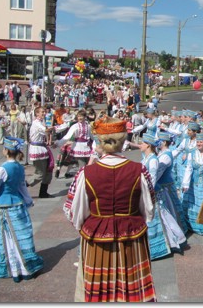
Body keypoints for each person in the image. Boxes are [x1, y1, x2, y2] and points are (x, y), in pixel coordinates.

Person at [63, 116, 157, 302]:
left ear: (100, 142)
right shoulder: (139, 170)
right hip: (131, 238)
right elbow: (149, 208)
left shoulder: (85, 173)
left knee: (99, 291)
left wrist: (86, 224)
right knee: (131, 289)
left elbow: (74, 211)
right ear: (123, 142)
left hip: (97, 239)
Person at [0, 137, 44, 282]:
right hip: (18, 206)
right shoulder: (20, 167)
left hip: (4, 207)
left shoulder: (2, 168)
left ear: (6, 151)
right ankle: (22, 266)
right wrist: (28, 201)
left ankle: (9, 266)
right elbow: (22, 187)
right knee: (19, 237)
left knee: (4, 237)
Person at [140, 134, 187, 260]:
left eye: (142, 143)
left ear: (148, 145)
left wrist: (148, 192)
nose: (140, 145)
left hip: (153, 192)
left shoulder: (154, 159)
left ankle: (170, 242)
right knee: (163, 216)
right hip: (150, 191)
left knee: (163, 217)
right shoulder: (148, 158)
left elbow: (153, 178)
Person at [56, 109, 93, 179]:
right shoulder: (75, 126)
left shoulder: (88, 126)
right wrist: (58, 143)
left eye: (81, 116)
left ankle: (85, 181)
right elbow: (67, 136)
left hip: (87, 147)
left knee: (89, 165)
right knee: (83, 166)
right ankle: (81, 181)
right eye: (78, 116)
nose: (80, 118)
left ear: (85, 117)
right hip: (78, 147)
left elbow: (92, 136)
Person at [28, 106, 55, 198]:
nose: (44, 113)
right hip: (37, 150)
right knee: (40, 174)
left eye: (44, 112)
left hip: (42, 148)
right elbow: (46, 130)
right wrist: (54, 128)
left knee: (48, 171)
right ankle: (21, 186)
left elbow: (46, 131)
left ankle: (43, 192)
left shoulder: (41, 122)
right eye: (42, 112)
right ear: (37, 114)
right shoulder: (36, 123)